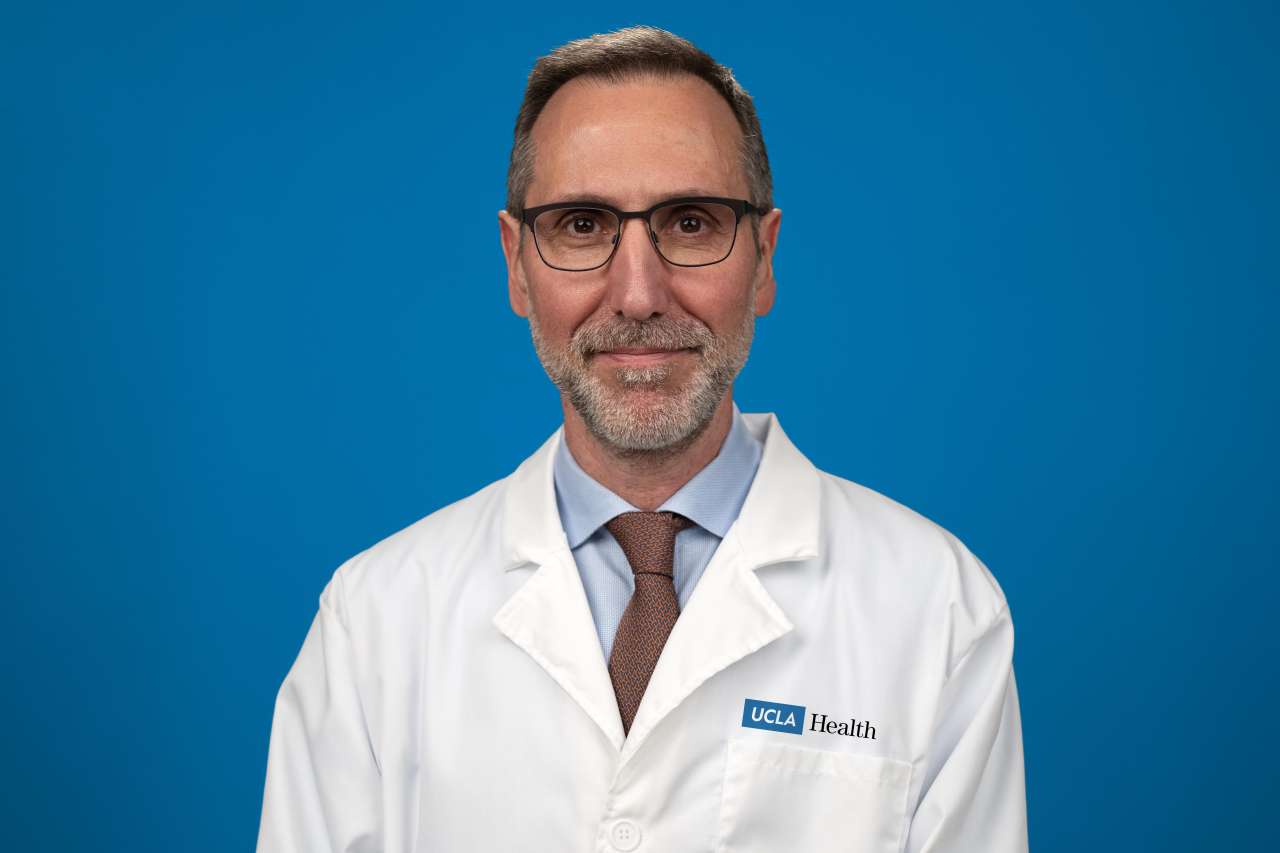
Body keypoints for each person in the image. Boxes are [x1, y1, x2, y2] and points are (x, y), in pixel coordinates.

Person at [255, 25, 1028, 853]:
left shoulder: (936, 610)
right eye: (583, 225)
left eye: (690, 222)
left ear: (764, 260)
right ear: (517, 266)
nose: (637, 293)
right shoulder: (375, 622)